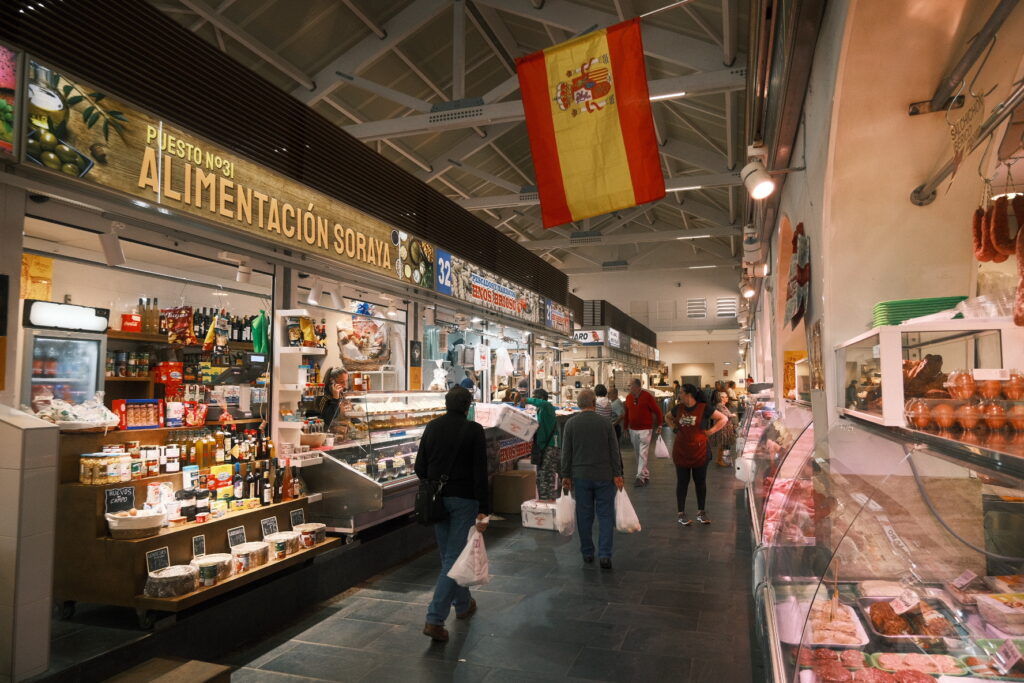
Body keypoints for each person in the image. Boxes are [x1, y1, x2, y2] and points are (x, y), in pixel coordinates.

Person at [414, 386, 490, 642]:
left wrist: (434, 483)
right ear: (468, 406)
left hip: (438, 500)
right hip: (464, 500)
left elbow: (419, 466)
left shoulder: (432, 426)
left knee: (450, 555)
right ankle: (434, 619)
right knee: (452, 559)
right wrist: (484, 508)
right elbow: (480, 471)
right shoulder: (474, 430)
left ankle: (463, 603)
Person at [560, 388, 623, 569]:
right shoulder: (606, 424)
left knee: (584, 515)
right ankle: (605, 554)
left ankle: (587, 552)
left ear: (579, 405)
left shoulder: (571, 424)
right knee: (605, 515)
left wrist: (566, 475)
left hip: (581, 476)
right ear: (594, 403)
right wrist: (618, 474)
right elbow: (614, 451)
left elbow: (567, 453)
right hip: (604, 476)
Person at [666, 384, 728, 526]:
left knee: (700, 483)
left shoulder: (704, 408)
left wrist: (710, 432)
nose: (679, 395)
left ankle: (701, 512)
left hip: (699, 451)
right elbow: (667, 417)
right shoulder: (678, 408)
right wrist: (674, 428)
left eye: (681, 392)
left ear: (689, 394)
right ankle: (680, 513)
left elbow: (723, 419)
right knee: (682, 483)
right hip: (681, 450)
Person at [622, 378, 663, 487]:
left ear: (637, 386)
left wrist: (660, 424)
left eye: (630, 385)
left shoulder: (647, 396)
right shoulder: (629, 397)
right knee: (638, 454)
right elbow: (627, 413)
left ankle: (640, 477)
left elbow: (657, 411)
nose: (628, 387)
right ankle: (645, 474)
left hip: (645, 429)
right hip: (633, 430)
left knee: (642, 453)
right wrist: (625, 427)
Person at [523, 388, 559, 500]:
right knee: (542, 476)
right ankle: (545, 501)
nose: (533, 401)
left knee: (546, 477)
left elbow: (542, 403)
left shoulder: (547, 407)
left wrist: (526, 399)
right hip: (543, 447)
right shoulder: (540, 411)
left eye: (535, 398)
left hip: (550, 447)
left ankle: (547, 502)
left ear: (541, 398)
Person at [709, 390, 737, 467]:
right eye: (726, 397)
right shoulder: (720, 405)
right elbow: (726, 415)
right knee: (721, 444)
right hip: (722, 427)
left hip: (724, 426)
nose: (727, 398)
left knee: (722, 444)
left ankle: (719, 459)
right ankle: (719, 460)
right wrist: (733, 415)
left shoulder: (721, 405)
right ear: (722, 398)